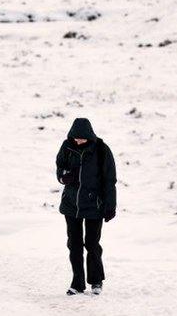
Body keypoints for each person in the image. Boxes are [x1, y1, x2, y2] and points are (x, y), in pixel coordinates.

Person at [55, 118, 117, 296]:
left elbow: (110, 180)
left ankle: (96, 281)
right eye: (76, 138)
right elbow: (60, 168)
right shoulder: (67, 147)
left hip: (94, 205)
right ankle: (77, 283)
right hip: (71, 204)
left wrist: (110, 206)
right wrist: (63, 177)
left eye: (82, 138)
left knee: (92, 243)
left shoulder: (101, 150)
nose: (78, 141)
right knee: (74, 245)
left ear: (89, 135)